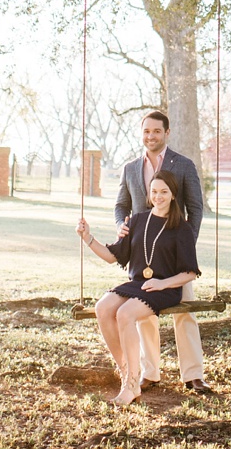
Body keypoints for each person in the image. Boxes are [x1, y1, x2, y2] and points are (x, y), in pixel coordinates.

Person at [76, 169, 200, 405]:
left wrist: (162, 283)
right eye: (154, 191)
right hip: (138, 284)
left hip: (165, 289)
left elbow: (190, 272)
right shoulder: (136, 220)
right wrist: (88, 238)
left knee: (125, 314)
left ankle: (132, 385)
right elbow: (113, 256)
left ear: (173, 194)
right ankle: (127, 373)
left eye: (164, 191)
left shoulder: (181, 228)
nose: (159, 196)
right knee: (103, 308)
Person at [113, 110, 210, 393]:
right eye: (146, 131)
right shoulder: (131, 168)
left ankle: (193, 374)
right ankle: (150, 373)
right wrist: (122, 228)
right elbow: (121, 206)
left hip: (175, 258)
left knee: (185, 313)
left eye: (156, 131)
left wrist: (183, 246)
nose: (151, 136)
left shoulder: (183, 164)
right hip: (142, 257)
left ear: (166, 133)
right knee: (142, 317)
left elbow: (196, 208)